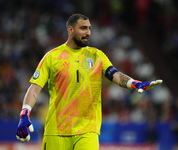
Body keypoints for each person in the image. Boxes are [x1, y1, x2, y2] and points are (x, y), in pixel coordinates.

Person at [16, 13, 162, 150]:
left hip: (87, 130)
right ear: (71, 30)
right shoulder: (52, 57)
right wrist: (24, 114)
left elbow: (115, 75)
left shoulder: (96, 55)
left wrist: (134, 83)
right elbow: (34, 88)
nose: (88, 32)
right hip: (56, 130)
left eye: (89, 29)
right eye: (83, 28)